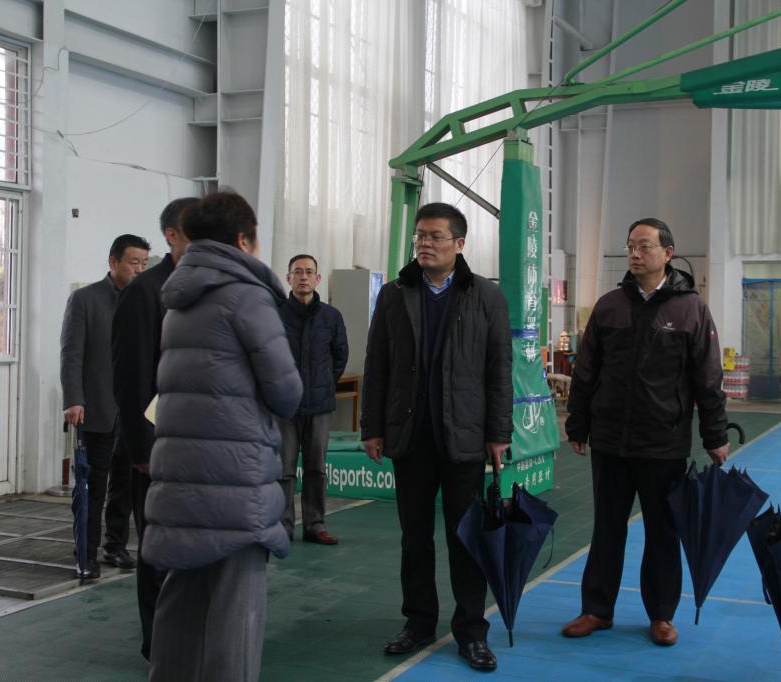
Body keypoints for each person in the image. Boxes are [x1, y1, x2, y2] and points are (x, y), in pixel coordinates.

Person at [142, 191, 302, 682]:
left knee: (180, 609)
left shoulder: (178, 300)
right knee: (236, 618)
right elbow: (286, 392)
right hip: (235, 482)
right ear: (243, 240)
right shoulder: (246, 295)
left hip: (180, 478)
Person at [562, 218, 728, 647]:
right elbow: (586, 370)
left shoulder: (691, 309)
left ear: (668, 253)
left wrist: (714, 436)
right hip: (611, 441)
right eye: (630, 246)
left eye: (644, 246)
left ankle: (661, 615)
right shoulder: (609, 306)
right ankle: (596, 610)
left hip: (663, 443)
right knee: (607, 529)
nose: (635, 254)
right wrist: (578, 423)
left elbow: (708, 378)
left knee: (662, 532)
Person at [361, 202, 511, 672]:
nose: (425, 244)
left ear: (459, 244)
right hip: (411, 438)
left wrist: (498, 432)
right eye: (420, 236)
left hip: (463, 438)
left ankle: (471, 631)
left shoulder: (486, 296)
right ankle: (419, 622)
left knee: (467, 539)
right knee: (415, 539)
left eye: (435, 237)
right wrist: (372, 427)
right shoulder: (395, 295)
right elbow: (377, 365)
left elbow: (499, 369)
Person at [111, 196, 197, 661]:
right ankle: (159, 645)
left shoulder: (207, 288)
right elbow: (131, 378)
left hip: (200, 446)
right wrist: (143, 451)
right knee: (158, 550)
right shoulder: (146, 292)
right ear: (172, 236)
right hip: (158, 448)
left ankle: (190, 637)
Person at [61, 234, 150, 578]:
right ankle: (85, 554)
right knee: (92, 486)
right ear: (114, 262)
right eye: (133, 262)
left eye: (144, 263)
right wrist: (74, 398)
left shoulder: (145, 301)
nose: (139, 269)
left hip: (134, 413)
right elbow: (71, 353)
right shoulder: (85, 299)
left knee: (125, 485)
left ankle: (116, 546)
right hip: (95, 407)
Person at [277, 254, 348, 545]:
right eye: (298, 272)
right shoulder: (276, 314)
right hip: (284, 407)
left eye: (309, 272)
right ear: (288, 278)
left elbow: (340, 354)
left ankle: (315, 525)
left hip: (319, 406)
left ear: (318, 279)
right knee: (284, 470)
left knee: (316, 468)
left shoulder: (331, 317)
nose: (303, 276)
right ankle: (283, 525)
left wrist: (325, 384)